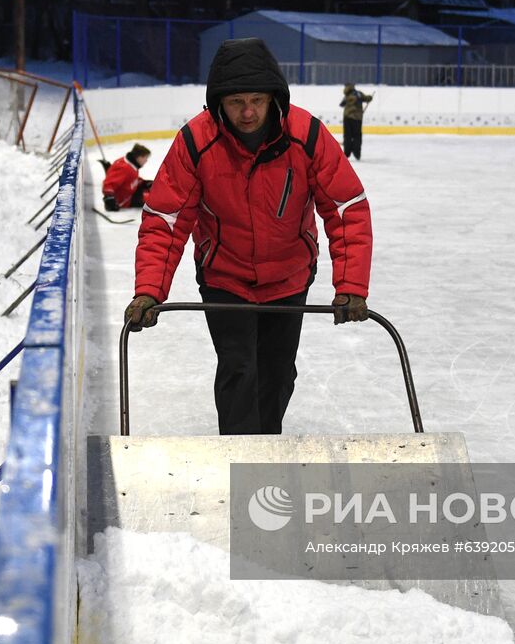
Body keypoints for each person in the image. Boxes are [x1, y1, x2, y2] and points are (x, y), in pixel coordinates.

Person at [125, 37, 372, 435]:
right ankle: (240, 457)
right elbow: (166, 219)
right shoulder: (195, 142)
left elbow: (347, 208)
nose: (248, 112)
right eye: (236, 101)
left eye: (256, 99)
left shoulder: (306, 136)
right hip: (224, 276)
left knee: (278, 373)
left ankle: (265, 450)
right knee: (239, 369)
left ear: (273, 96)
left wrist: (352, 284)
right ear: (218, 101)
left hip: (289, 274)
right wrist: (150, 289)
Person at [102, 143, 153, 210]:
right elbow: (108, 184)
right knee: (154, 198)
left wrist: (143, 182)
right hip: (126, 199)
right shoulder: (124, 167)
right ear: (139, 157)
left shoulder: (131, 163)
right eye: (145, 158)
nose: (146, 161)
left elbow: (130, 179)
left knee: (154, 187)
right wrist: (109, 199)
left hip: (130, 192)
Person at [340, 83, 373, 160]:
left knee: (347, 135)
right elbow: (367, 98)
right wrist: (370, 97)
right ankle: (357, 153)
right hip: (357, 118)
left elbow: (342, 104)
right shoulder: (359, 94)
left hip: (347, 118)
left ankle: (347, 153)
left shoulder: (346, 95)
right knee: (357, 136)